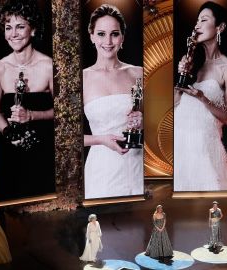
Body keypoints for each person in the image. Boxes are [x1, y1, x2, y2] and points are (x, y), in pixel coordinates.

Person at [0, 0, 55, 200]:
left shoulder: (48, 66)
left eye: (20, 26)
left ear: (33, 29)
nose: (13, 34)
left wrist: (31, 115)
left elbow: (64, 112)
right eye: (8, 27)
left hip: (45, 152)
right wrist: (9, 132)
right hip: (10, 154)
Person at [83, 4, 143, 199]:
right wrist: (100, 139)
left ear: (122, 37)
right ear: (91, 36)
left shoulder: (138, 73)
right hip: (102, 171)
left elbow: (160, 122)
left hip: (137, 165)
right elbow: (66, 138)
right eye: (101, 34)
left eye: (114, 34)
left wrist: (144, 120)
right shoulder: (80, 79)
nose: (107, 41)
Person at [174, 1, 227, 191]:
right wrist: (181, 76)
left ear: (220, 27)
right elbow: (175, 103)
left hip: (204, 146)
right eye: (197, 21)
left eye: (204, 19)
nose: (197, 25)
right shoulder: (192, 62)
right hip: (181, 142)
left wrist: (202, 97)